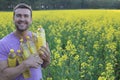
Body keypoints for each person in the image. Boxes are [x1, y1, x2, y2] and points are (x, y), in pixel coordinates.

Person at [0, 3, 50, 80]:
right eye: (18, 15)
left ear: (31, 20)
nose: (22, 19)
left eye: (26, 16)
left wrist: (47, 60)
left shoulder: (37, 38)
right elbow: (2, 76)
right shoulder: (3, 44)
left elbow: (43, 65)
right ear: (13, 18)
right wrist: (25, 64)